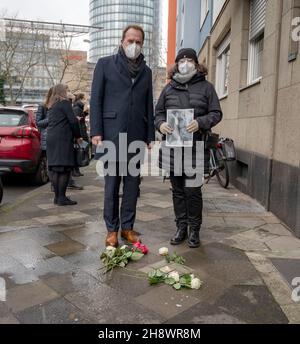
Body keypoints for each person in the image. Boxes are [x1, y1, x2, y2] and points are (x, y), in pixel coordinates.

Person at [90, 25, 155, 247]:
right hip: (111, 135)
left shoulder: (146, 71)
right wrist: (96, 131)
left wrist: (149, 135)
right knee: (111, 186)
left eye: (138, 41)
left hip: (137, 135)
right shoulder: (105, 64)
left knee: (132, 187)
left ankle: (127, 227)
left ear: (142, 44)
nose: (134, 45)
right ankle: (111, 230)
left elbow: (148, 105)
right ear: (122, 41)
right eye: (130, 41)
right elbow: (95, 100)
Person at [155, 48, 222, 248]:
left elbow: (216, 113)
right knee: (177, 191)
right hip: (173, 148)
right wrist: (160, 124)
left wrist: (201, 122)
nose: (185, 63)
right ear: (176, 64)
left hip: (195, 147)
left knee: (192, 191)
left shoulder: (207, 87)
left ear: (196, 63)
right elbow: (157, 113)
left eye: (189, 60)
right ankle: (181, 227)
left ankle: (194, 230)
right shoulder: (168, 89)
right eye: (181, 60)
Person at [46, 84, 82, 206]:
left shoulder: (52, 104)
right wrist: (78, 136)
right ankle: (62, 198)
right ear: (62, 91)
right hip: (62, 139)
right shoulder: (65, 103)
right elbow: (73, 121)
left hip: (51, 138)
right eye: (67, 90)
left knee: (56, 169)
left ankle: (57, 197)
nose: (68, 92)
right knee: (65, 169)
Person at [36, 87, 53, 188]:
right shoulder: (43, 105)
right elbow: (38, 123)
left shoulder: (58, 105)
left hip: (58, 138)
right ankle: (53, 186)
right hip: (47, 138)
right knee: (50, 163)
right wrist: (50, 118)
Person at [72, 93, 89, 177]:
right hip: (80, 134)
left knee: (80, 150)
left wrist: (85, 113)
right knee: (79, 151)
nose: (86, 100)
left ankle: (77, 169)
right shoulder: (77, 108)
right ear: (81, 99)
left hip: (81, 133)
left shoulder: (79, 108)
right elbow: (77, 123)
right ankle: (75, 169)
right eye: (85, 99)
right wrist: (79, 136)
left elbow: (80, 119)